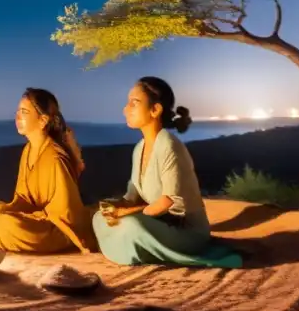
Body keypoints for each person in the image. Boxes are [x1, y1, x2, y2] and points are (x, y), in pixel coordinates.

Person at [92, 76, 242, 268]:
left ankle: (139, 248)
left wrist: (127, 212)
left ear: (155, 110)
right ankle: (135, 247)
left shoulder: (169, 146)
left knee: (132, 225)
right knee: (99, 218)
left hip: (183, 229)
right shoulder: (139, 148)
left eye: (134, 103)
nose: (125, 109)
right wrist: (113, 206)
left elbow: (168, 200)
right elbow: (131, 197)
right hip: (158, 221)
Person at [0, 88, 96, 253]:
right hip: (38, 219)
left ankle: (58, 241)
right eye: (18, 111)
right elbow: (23, 197)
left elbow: (66, 211)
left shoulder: (55, 157)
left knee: (10, 225)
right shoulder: (28, 150)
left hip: (58, 227)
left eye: (24, 112)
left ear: (43, 120)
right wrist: (13, 210)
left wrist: (37, 218)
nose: (17, 117)